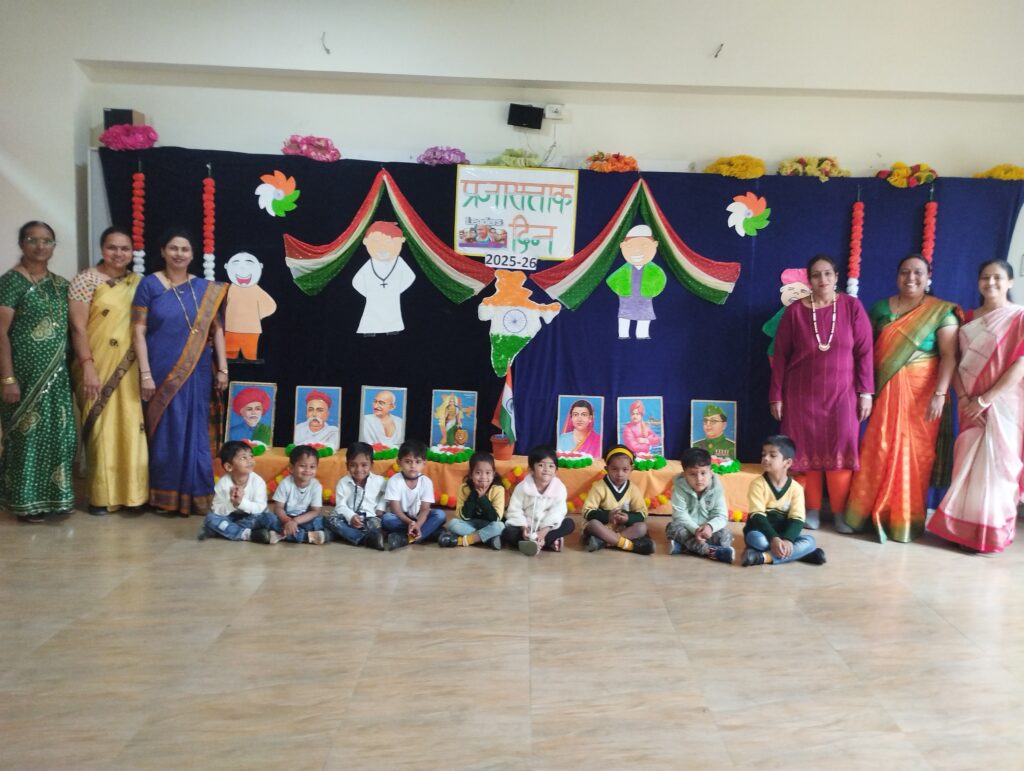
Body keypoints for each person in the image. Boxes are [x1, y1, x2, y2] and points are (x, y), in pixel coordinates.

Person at [844, 255, 961, 542]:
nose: (911, 277)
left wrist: (940, 394)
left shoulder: (941, 312)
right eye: (905, 272)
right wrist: (864, 390)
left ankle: (902, 521)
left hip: (923, 398)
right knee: (877, 448)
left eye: (918, 272)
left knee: (915, 456)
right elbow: (864, 351)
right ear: (897, 277)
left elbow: (949, 356)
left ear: (928, 276)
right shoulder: (880, 309)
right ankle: (862, 515)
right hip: (884, 392)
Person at [769, 254, 874, 530]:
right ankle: (811, 511)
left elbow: (865, 352)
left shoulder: (852, 307)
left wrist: (866, 393)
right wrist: (776, 395)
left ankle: (840, 513)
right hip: (800, 397)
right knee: (804, 454)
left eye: (827, 273)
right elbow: (780, 357)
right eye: (816, 275)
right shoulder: (795, 312)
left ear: (836, 277)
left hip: (843, 396)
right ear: (809, 280)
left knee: (841, 451)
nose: (822, 279)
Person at [928, 259, 1024, 554]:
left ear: (1010, 282)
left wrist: (985, 400)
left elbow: (1021, 364)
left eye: (997, 278)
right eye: (985, 277)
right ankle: (960, 529)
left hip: (1003, 406)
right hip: (968, 404)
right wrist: (965, 399)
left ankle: (988, 534)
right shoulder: (967, 318)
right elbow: (954, 362)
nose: (990, 282)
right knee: (967, 465)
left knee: (997, 468)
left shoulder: (1019, 317)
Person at [133, 228, 228, 515]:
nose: (179, 254)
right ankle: (165, 496)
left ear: (192, 254)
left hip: (197, 371)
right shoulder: (149, 285)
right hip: (161, 370)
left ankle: (196, 497)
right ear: (163, 251)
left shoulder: (205, 289)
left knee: (195, 432)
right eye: (173, 248)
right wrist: (145, 374)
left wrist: (223, 369)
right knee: (166, 434)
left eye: (184, 249)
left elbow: (217, 331)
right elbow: (138, 332)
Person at [69, 225, 148, 514]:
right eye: (112, 247)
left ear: (132, 252)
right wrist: (87, 365)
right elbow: (78, 328)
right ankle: (101, 497)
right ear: (102, 249)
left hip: (131, 367)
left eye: (125, 248)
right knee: (101, 429)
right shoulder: (85, 280)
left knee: (131, 426)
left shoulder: (139, 283)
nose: (118, 253)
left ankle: (134, 496)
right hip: (95, 365)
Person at [0, 221, 76, 522]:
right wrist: (8, 378)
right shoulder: (10, 282)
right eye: (32, 240)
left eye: (47, 241)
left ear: (54, 246)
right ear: (21, 244)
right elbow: (1, 333)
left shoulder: (61, 285)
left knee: (59, 435)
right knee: (25, 438)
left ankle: (56, 499)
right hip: (23, 377)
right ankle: (25, 502)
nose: (40, 246)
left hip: (57, 377)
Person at [742, 435, 825, 566]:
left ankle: (763, 557)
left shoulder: (796, 489)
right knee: (758, 541)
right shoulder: (757, 484)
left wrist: (788, 540)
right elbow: (757, 516)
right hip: (762, 533)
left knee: (810, 541)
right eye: (763, 454)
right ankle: (802, 554)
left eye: (772, 455)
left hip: (784, 535)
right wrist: (774, 538)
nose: (765, 458)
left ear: (787, 463)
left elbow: (797, 519)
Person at [502, 445, 576, 556]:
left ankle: (538, 542)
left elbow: (558, 512)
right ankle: (548, 543)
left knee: (569, 524)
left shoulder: (559, 488)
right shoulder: (522, 487)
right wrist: (523, 528)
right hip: (527, 526)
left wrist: (543, 532)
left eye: (551, 466)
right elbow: (515, 509)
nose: (546, 469)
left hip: (547, 528)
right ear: (531, 469)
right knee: (507, 532)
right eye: (541, 465)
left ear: (556, 471)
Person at [581, 445, 654, 555]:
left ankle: (604, 542)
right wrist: (608, 516)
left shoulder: (633, 489)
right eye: (614, 469)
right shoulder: (599, 487)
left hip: (623, 529)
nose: (620, 474)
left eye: (625, 470)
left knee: (642, 527)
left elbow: (642, 513)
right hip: (603, 528)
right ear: (607, 469)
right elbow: (587, 511)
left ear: (631, 469)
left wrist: (628, 518)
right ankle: (630, 546)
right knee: (593, 524)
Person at [666, 447, 733, 563]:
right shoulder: (679, 488)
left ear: (710, 471)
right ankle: (709, 551)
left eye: (703, 473)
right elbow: (680, 514)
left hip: (708, 532)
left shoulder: (717, 489)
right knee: (672, 528)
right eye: (692, 474)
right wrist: (696, 530)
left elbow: (721, 515)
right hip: (688, 529)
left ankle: (683, 547)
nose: (699, 479)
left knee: (725, 535)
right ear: (684, 474)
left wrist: (710, 527)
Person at [252, 444, 326, 544]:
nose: (307, 470)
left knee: (320, 521)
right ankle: (306, 537)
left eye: (312, 467)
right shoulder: (285, 483)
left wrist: (295, 521)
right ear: (291, 468)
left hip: (303, 519)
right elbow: (278, 508)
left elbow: (315, 511)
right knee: (267, 517)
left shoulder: (316, 486)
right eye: (302, 466)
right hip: (285, 518)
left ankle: (279, 534)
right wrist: (287, 521)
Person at [351, 221, 416, 335]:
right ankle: (369, 330)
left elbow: (410, 276)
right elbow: (356, 281)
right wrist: (370, 292)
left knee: (392, 313)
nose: (383, 247)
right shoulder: (369, 264)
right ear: (366, 242)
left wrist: (396, 289)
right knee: (371, 314)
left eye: (389, 242)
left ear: (401, 241)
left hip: (392, 297)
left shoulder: (399, 262)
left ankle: (393, 329)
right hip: (373, 298)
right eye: (376, 241)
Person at [605, 224, 667, 340]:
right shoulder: (624, 269)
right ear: (622, 246)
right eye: (630, 246)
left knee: (644, 318)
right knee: (625, 317)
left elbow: (661, 280)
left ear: (654, 245)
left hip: (645, 299)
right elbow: (612, 280)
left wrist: (651, 292)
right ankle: (623, 335)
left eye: (644, 246)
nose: (637, 251)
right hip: (627, 299)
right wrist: (621, 291)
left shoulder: (655, 270)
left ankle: (642, 335)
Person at [198, 441, 270, 541]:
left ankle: (224, 530)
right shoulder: (223, 484)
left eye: (251, 456)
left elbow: (260, 508)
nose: (250, 460)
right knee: (210, 518)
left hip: (251, 517)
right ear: (229, 467)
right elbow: (217, 509)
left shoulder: (258, 482)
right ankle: (247, 535)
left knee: (268, 518)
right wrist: (232, 504)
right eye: (243, 458)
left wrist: (241, 503)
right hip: (230, 516)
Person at [382, 438, 446, 549]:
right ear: (399, 462)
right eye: (408, 461)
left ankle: (405, 539)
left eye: (418, 462)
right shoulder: (394, 480)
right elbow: (395, 509)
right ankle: (429, 533)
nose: (413, 466)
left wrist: (418, 524)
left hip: (420, 518)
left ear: (424, 463)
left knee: (440, 515)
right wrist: (410, 523)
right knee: (387, 519)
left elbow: (425, 510)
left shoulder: (426, 482)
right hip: (402, 519)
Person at [325, 441, 388, 549]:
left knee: (378, 524)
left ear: (371, 465)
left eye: (364, 465)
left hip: (370, 518)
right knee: (330, 519)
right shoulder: (343, 483)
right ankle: (365, 539)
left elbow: (387, 494)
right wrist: (351, 516)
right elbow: (340, 505)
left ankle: (346, 535)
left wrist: (381, 508)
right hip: (348, 519)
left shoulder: (379, 481)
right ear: (347, 466)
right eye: (353, 465)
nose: (359, 469)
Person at [438, 451, 506, 549]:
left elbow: (496, 518)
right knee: (453, 524)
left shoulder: (498, 489)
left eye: (488, 473)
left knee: (500, 526)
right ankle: (487, 539)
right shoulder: (464, 488)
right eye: (478, 473)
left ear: (493, 474)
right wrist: (474, 494)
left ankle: (464, 540)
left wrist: (482, 498)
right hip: (470, 523)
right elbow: (462, 516)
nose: (483, 477)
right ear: (471, 475)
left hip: (488, 523)